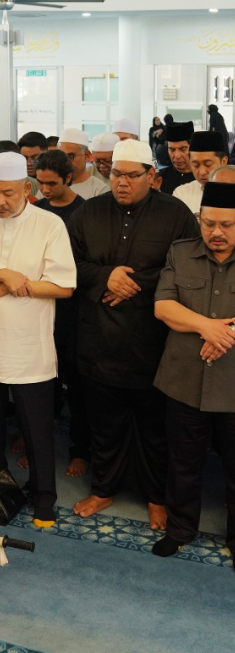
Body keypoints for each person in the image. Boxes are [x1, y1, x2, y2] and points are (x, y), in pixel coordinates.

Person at [68, 139, 200, 528]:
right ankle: (104, 489)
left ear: (152, 177)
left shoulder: (175, 214)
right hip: (99, 338)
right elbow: (68, 263)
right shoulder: (88, 212)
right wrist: (104, 276)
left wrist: (135, 283)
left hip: (152, 341)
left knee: (154, 428)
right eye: (115, 175)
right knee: (104, 423)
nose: (121, 183)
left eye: (130, 175)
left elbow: (185, 268)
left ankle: (157, 497)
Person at [0, 152, 77, 527]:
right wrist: (3, 273)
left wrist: (6, 287)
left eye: (8, 193)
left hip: (29, 347)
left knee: (36, 428)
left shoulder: (49, 225)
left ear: (27, 188)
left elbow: (63, 286)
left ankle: (44, 498)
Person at [150, 181, 235, 566]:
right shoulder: (181, 253)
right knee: (183, 461)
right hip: (185, 378)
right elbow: (163, 307)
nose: (216, 232)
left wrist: (226, 334)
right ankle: (180, 529)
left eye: (228, 225)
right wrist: (209, 327)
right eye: (209, 223)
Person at [33, 149, 91, 476]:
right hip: (38, 310)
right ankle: (34, 442)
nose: (45, 190)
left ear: (68, 178)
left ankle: (80, 450)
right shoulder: (36, 211)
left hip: (73, 311)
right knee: (43, 382)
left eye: (52, 183)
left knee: (77, 385)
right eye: (40, 183)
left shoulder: (85, 213)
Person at [173, 131, 228, 215]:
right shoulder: (182, 194)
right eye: (196, 165)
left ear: (223, 161)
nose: (202, 172)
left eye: (208, 164)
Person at [57, 128, 110, 200]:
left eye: (70, 156)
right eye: (61, 156)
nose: (65, 161)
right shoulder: (51, 184)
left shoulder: (100, 190)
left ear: (86, 156)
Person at [160, 121, 196, 195]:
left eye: (183, 149)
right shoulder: (160, 178)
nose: (177, 156)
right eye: (172, 150)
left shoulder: (202, 178)